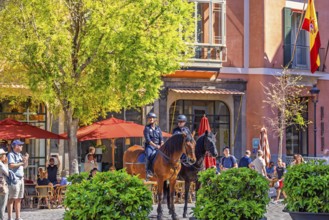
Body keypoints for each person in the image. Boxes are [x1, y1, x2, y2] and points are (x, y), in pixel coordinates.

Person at [7, 139, 29, 220]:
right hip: (14, 179)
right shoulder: (11, 155)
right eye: (20, 145)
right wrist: (21, 163)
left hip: (21, 179)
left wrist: (26, 160)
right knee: (12, 198)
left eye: (21, 145)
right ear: (15, 146)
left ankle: (18, 217)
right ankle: (10, 217)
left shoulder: (20, 155)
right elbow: (11, 165)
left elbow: (25, 166)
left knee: (19, 199)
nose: (21, 146)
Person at [144, 112, 164, 179]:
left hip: (159, 146)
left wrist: (161, 144)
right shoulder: (146, 128)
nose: (151, 119)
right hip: (150, 146)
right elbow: (148, 140)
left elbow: (161, 138)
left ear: (155, 119)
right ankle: (148, 171)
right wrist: (155, 146)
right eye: (150, 118)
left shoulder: (158, 128)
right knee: (149, 155)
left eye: (152, 118)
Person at [0, 148, 9, 220]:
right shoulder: (1, 164)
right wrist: (6, 164)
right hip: (2, 186)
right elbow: (7, 173)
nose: (5, 156)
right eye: (4, 155)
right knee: (2, 205)